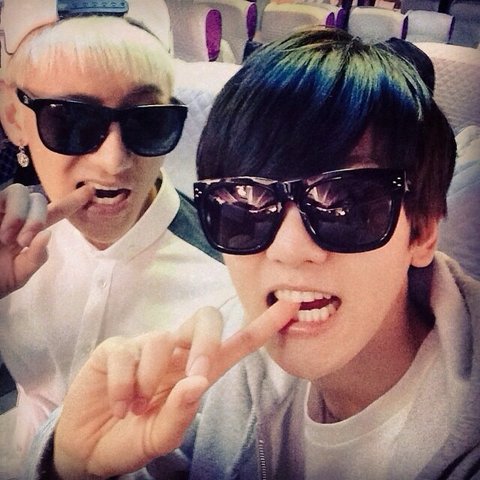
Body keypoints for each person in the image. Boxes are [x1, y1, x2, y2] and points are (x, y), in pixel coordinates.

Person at [27, 27, 480, 480]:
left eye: (344, 205)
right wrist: (70, 467)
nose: (287, 249)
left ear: (422, 231)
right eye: (245, 205)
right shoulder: (219, 362)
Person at [0, 3, 236, 475]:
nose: (113, 162)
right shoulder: (10, 242)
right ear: (14, 119)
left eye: (147, 120)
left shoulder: (227, 282)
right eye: (71, 122)